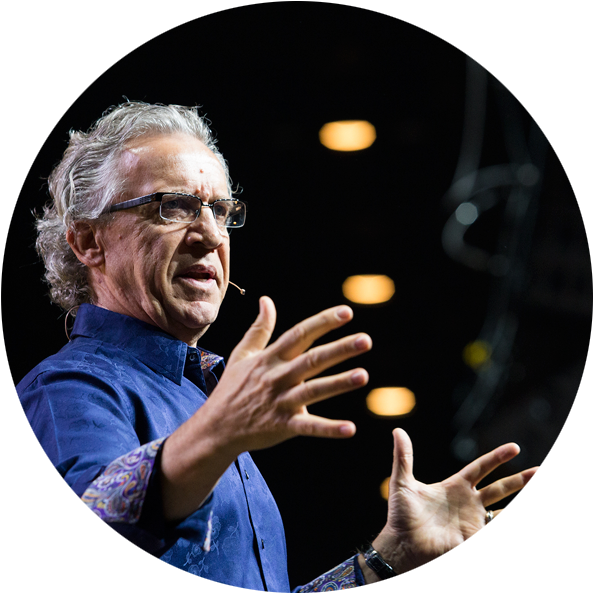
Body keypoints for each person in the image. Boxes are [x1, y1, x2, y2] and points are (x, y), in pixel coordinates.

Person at [17, 101, 538, 590]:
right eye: (173, 206)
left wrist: (386, 560)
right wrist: (216, 434)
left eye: (221, 211)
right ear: (89, 242)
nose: (211, 235)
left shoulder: (204, 400)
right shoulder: (66, 389)